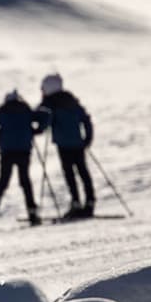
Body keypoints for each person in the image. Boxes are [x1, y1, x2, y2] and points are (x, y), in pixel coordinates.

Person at [0, 89, 48, 228]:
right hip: (23, 151)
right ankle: (32, 215)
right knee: (25, 182)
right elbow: (46, 116)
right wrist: (36, 130)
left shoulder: (3, 111)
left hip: (7, 151)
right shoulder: (26, 110)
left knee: (2, 184)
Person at [38, 72, 97, 220]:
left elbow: (40, 119)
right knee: (83, 172)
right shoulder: (71, 100)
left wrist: (38, 129)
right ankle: (89, 203)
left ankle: (76, 203)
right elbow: (86, 119)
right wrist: (87, 139)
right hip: (78, 143)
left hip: (63, 145)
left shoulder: (50, 103)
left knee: (70, 174)